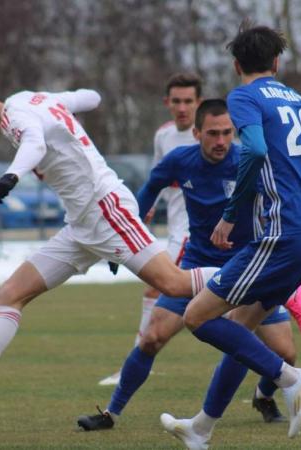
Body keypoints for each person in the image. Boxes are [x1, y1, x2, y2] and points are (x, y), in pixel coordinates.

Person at [0, 83, 220, 412]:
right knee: (11, 293)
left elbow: (33, 141)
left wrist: (10, 177)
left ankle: (267, 279)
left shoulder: (16, 116)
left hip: (106, 211)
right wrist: (60, 112)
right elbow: (93, 96)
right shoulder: (32, 101)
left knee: (174, 283)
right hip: (81, 226)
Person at [159, 24, 301, 448]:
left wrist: (230, 216)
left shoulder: (244, 97)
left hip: (280, 235)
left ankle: (291, 378)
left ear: (237, 64)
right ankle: (201, 429)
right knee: (239, 326)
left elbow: (253, 150)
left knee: (197, 316)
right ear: (276, 62)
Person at [77, 100, 301, 432]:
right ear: (197, 133)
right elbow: (147, 192)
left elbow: (282, 208)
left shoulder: (251, 163)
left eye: (227, 133)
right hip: (195, 269)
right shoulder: (179, 161)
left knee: (286, 353)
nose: (221, 141)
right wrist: (122, 243)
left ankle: (263, 396)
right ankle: (111, 413)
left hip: (245, 270)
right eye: (213, 133)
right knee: (152, 337)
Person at [98, 72, 202, 387]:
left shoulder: (210, 137)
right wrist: (143, 212)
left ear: (199, 102)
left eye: (189, 101)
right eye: (177, 101)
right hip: (174, 230)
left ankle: (133, 366)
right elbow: (157, 181)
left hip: (194, 233)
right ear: (167, 103)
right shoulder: (164, 136)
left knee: (157, 289)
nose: (183, 107)